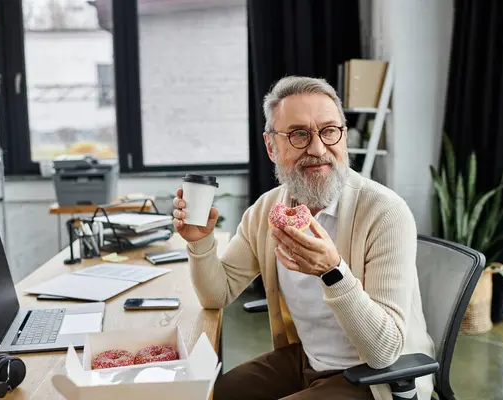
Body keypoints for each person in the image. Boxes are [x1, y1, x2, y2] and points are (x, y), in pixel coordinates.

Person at [172, 76, 435, 400]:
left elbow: (385, 352)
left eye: (328, 131)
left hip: (377, 379)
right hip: (307, 359)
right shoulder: (267, 209)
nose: (317, 148)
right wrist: (199, 242)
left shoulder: (384, 212)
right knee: (209, 394)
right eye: (299, 134)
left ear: (343, 135)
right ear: (271, 146)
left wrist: (332, 271)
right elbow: (217, 295)